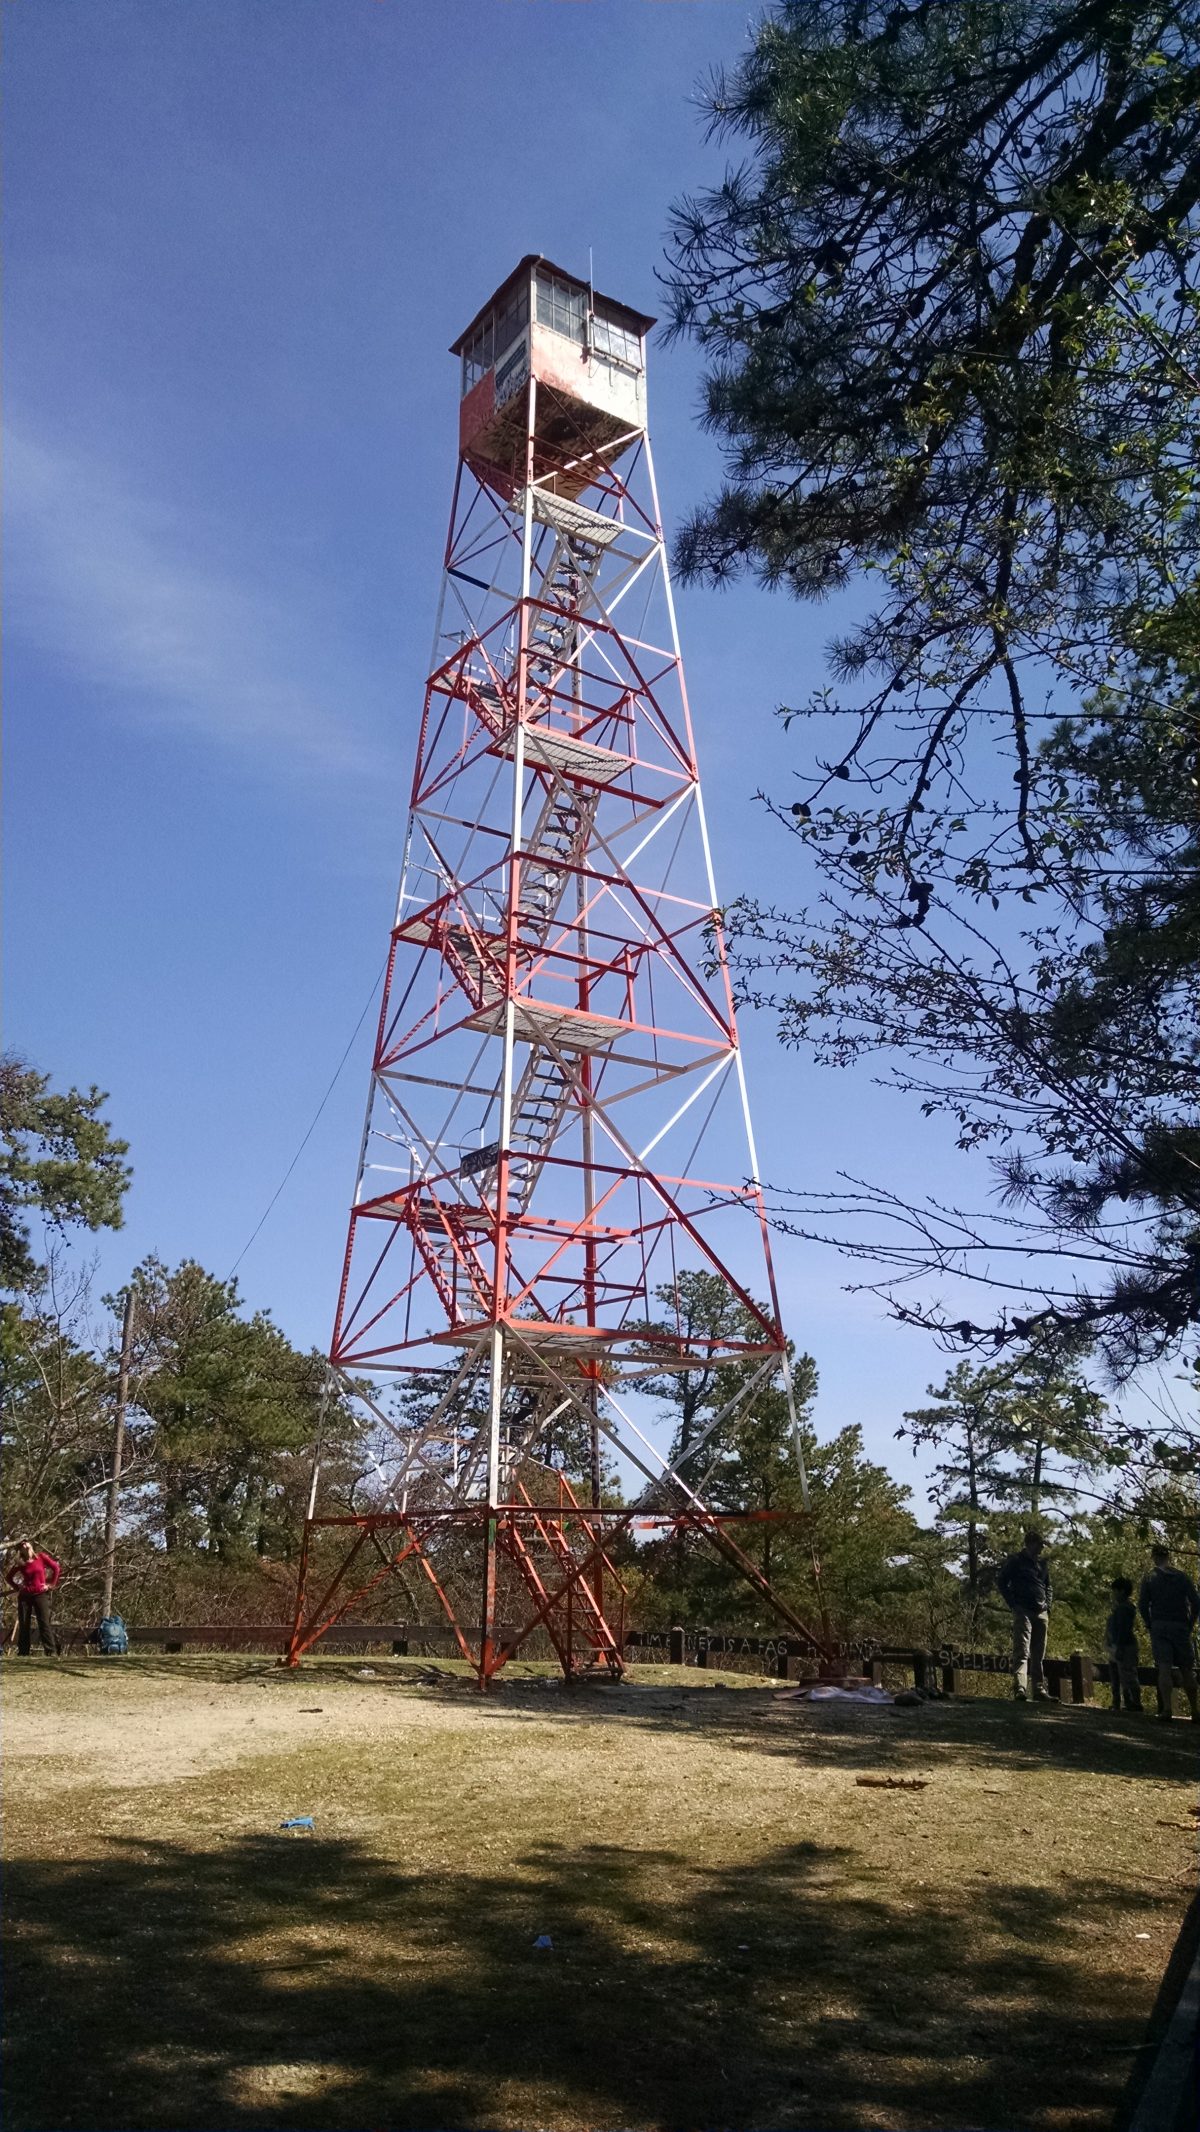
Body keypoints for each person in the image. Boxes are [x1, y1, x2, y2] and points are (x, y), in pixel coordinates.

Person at [1138, 1542, 1200, 1723]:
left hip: (1160, 1626)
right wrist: (1190, 1622)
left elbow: (1142, 1605)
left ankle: (1167, 1709)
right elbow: (1196, 1602)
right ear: (1169, 1556)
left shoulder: (1150, 1578)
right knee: (1187, 1669)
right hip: (1180, 1625)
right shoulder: (1182, 1577)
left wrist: (1149, 1623)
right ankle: (1195, 1710)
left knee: (1164, 1668)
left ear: (1154, 1557)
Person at [997, 1529, 1052, 1701]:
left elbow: (1048, 1586)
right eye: (1039, 1545)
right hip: (1024, 1611)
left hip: (1041, 1612)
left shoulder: (1042, 1564)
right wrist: (1013, 1605)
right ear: (1030, 1544)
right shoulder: (1016, 1561)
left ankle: (1038, 1689)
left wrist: (1048, 1606)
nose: (1041, 1549)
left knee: (1038, 1653)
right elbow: (1001, 1581)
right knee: (1022, 1650)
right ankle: (1020, 1688)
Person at [6, 1540, 62, 1656]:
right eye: (22, 1545)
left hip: (40, 1594)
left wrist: (51, 1585)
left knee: (44, 1622)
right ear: (20, 1550)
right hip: (25, 1596)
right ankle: (23, 1652)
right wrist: (17, 1587)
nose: (25, 1545)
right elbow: (9, 1577)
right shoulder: (20, 1563)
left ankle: (51, 1651)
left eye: (26, 1543)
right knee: (24, 1624)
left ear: (31, 1545)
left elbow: (56, 1568)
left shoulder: (41, 1557)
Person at [1104, 1576, 1143, 1713]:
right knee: (1118, 1674)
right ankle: (1123, 1702)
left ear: (1121, 1591)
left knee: (1127, 1674)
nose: (1113, 1594)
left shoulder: (1124, 1610)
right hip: (1119, 1645)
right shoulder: (1121, 1609)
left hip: (1125, 1646)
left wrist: (1119, 1647)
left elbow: (1122, 1630)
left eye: (1115, 1590)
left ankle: (1134, 1702)